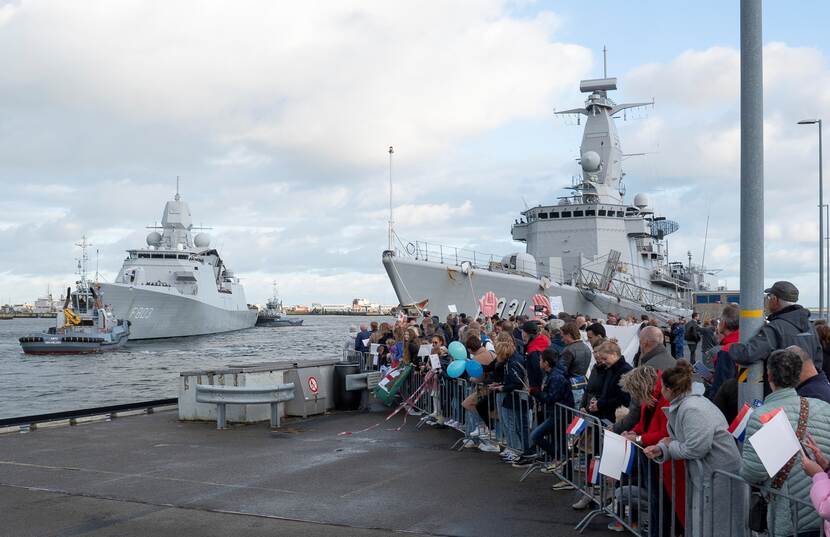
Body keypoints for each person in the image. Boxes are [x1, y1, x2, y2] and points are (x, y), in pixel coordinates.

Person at [644, 361, 744, 537]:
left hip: (716, 476)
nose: (659, 391)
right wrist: (661, 449)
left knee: (714, 526)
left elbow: (695, 448)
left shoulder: (692, 409)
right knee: (706, 523)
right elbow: (681, 441)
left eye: (662, 387)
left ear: (669, 389)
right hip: (710, 474)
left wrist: (668, 446)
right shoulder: (688, 405)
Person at [742, 349, 830, 537]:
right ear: (799, 374)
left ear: (769, 376)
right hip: (823, 513)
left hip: (789, 514)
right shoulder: (824, 407)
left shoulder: (761, 417)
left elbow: (751, 473)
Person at [619, 366, 685, 536]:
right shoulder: (651, 397)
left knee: (661, 502)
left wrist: (639, 439)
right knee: (656, 501)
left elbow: (666, 433)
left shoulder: (664, 398)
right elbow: (644, 424)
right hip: (651, 455)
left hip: (662, 459)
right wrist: (634, 431)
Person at [728, 281, 824, 395]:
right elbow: (818, 361)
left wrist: (730, 347)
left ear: (775, 300)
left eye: (769, 297)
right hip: (807, 392)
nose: (768, 301)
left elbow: (747, 354)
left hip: (781, 395)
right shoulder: (810, 327)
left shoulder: (775, 328)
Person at [517, 349, 574, 468]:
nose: (539, 362)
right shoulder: (551, 374)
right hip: (554, 413)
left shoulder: (556, 376)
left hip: (559, 414)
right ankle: (559, 460)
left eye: (541, 360)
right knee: (558, 441)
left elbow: (551, 397)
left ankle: (559, 457)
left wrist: (535, 392)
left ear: (546, 363)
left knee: (536, 435)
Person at [613, 326, 675, 435]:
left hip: (652, 433)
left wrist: (617, 428)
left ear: (645, 343)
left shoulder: (648, 369)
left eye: (640, 341)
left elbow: (636, 411)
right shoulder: (673, 361)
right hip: (670, 428)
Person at [521, 321, 548, 393]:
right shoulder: (543, 341)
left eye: (523, 332)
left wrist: (535, 390)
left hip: (537, 388)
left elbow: (538, 371)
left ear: (527, 334)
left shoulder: (533, 351)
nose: (522, 334)